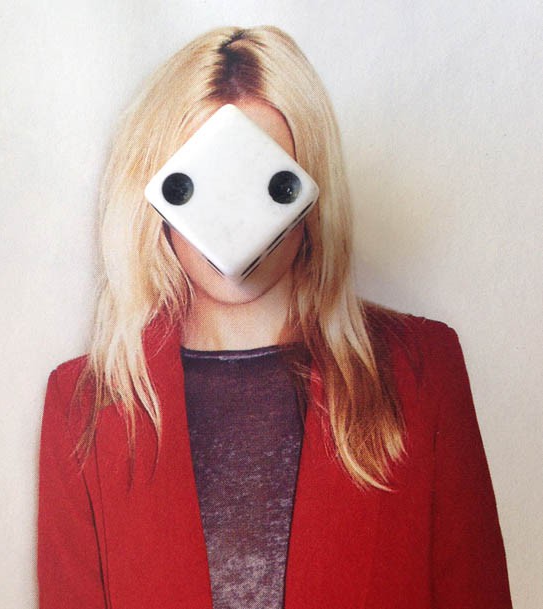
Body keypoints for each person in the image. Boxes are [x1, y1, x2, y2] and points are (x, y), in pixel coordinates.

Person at [37, 26, 512, 609]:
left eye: (270, 183)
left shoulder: (421, 371)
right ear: (155, 196)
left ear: (311, 193)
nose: (234, 224)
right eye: (200, 184)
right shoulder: (85, 407)